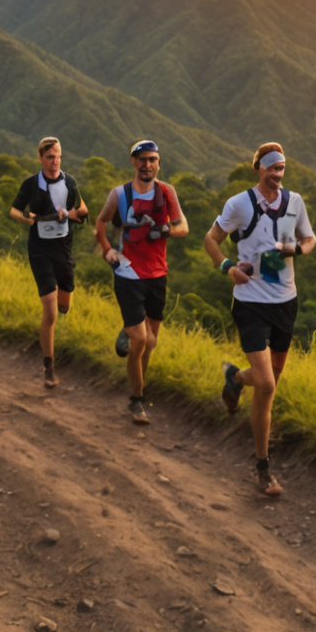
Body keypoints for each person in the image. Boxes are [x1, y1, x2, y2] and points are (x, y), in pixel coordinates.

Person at [203, 142, 316, 496]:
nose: (278, 174)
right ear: (259, 169)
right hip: (250, 303)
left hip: (286, 302)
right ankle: (263, 468)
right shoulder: (239, 204)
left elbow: (310, 238)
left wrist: (296, 249)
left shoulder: (295, 202)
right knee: (266, 385)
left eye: (282, 168)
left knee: (272, 379)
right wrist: (228, 267)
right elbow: (211, 240)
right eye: (272, 168)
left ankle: (235, 378)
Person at [95, 140, 188, 424]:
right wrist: (107, 250)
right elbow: (100, 223)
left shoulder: (167, 192)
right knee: (141, 339)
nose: (147, 165)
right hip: (128, 274)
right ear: (133, 162)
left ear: (158, 163)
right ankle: (136, 400)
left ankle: (139, 381)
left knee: (151, 342)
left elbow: (183, 226)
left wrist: (166, 230)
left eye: (153, 160)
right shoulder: (119, 194)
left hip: (157, 275)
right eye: (143, 159)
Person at [9, 137, 89, 389]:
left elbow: (83, 211)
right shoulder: (31, 184)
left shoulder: (70, 182)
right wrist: (28, 219)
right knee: (50, 309)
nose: (55, 162)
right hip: (39, 249)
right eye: (50, 157)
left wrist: (69, 214)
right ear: (40, 158)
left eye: (58, 157)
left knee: (64, 306)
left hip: (63, 249)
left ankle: (53, 334)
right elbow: (14, 210)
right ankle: (49, 366)